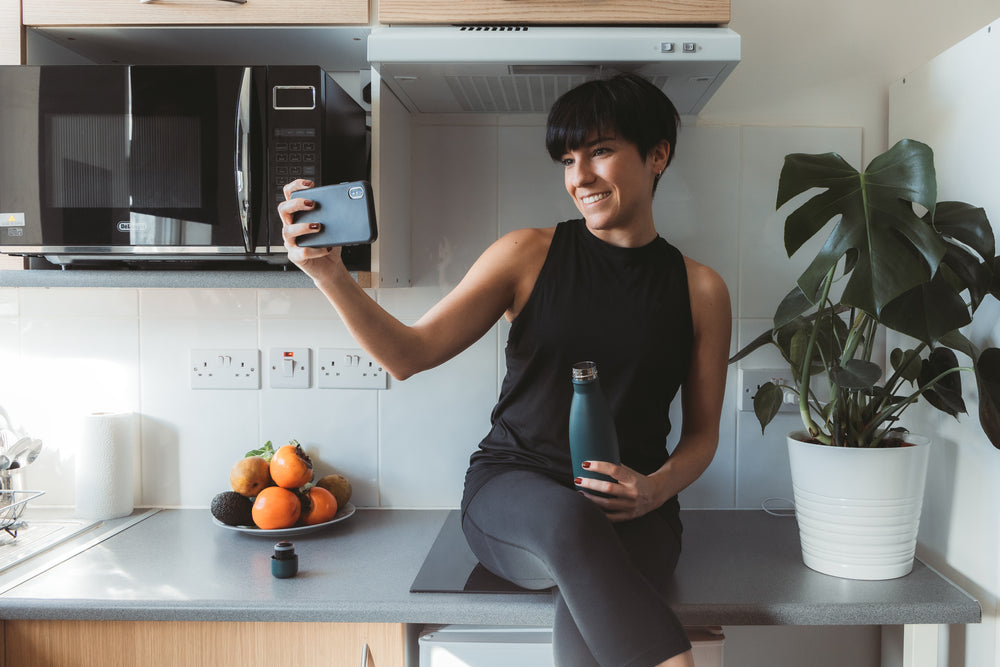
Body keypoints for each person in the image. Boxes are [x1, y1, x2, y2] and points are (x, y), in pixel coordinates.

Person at [279, 72, 731, 667]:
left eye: (600, 152)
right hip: (514, 491)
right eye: (568, 159)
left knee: (591, 592)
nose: (580, 177)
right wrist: (330, 275)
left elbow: (702, 437)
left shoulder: (701, 289)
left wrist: (653, 491)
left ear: (657, 155)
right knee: (573, 524)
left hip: (636, 507)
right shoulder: (527, 255)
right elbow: (406, 355)